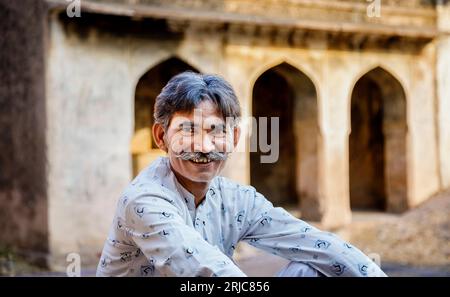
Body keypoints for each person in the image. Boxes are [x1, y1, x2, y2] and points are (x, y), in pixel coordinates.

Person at [96, 71, 386, 277]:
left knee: (310, 267)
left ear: (234, 138)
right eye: (187, 130)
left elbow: (314, 243)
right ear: (161, 137)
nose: (203, 146)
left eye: (216, 131)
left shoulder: (236, 199)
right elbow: (204, 270)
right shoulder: (144, 200)